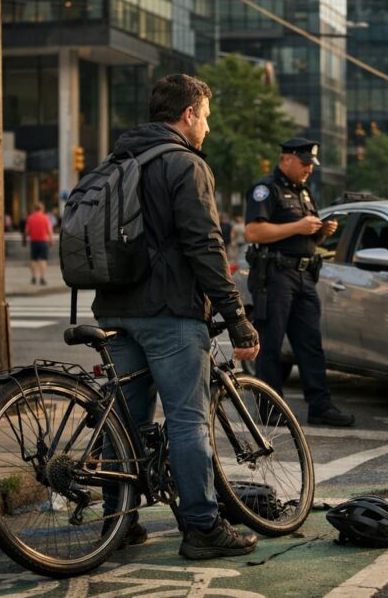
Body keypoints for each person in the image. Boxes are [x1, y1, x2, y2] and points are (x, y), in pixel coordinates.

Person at [92, 73, 262, 560]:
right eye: (205, 116)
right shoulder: (184, 165)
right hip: (169, 313)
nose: (207, 126)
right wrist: (236, 317)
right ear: (188, 115)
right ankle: (203, 528)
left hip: (114, 309)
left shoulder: (117, 160)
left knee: (124, 421)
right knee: (188, 422)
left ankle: (117, 522)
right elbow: (205, 245)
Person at [244, 138, 355, 427]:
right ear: (287, 159)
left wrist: (320, 233)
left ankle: (320, 406)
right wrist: (299, 226)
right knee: (270, 344)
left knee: (311, 345)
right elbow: (254, 232)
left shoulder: (304, 192)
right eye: (304, 163)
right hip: (275, 276)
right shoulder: (265, 189)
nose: (309, 169)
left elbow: (302, 235)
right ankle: (270, 409)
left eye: (311, 164)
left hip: (304, 275)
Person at [24, 203, 53, 285]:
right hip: (43, 241)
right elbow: (49, 231)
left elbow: (26, 231)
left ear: (34, 209)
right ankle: (42, 278)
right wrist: (51, 240)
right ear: (42, 209)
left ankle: (33, 277)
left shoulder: (30, 218)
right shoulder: (45, 218)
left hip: (34, 241)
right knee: (43, 260)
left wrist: (25, 239)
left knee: (34, 259)